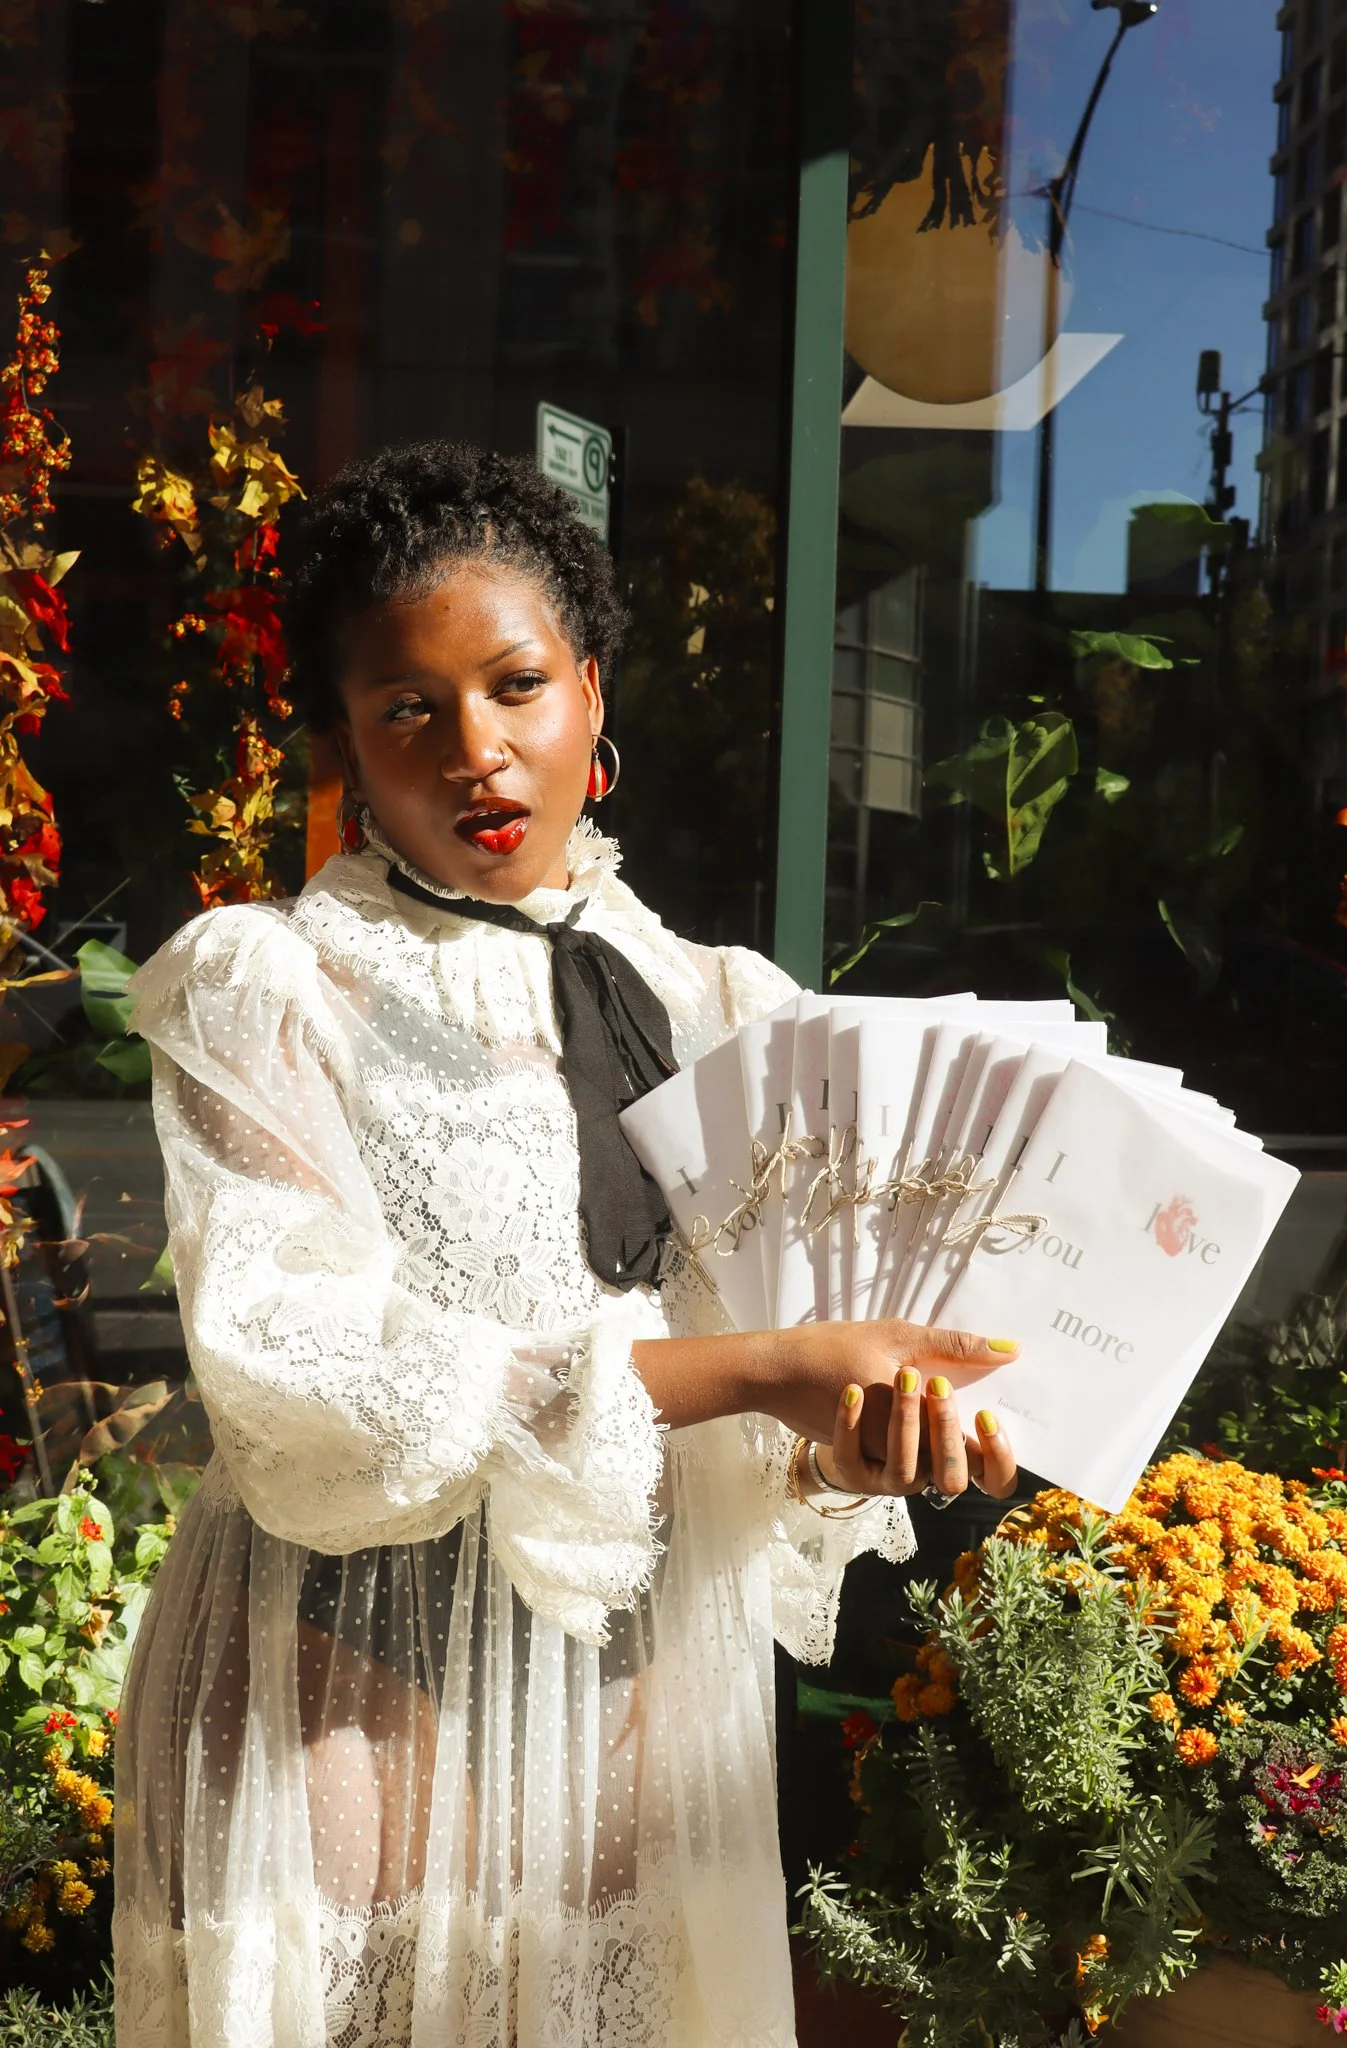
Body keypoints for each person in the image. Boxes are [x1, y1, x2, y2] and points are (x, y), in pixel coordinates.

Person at [112, 441, 1021, 2048]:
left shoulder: (730, 1008)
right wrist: (764, 1368)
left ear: (593, 700)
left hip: (639, 1723)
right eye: (408, 708)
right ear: (342, 744)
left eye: (518, 684)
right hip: (354, 1691)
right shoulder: (269, 986)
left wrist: (846, 1449)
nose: (476, 747)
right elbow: (298, 1379)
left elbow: (772, 1407)